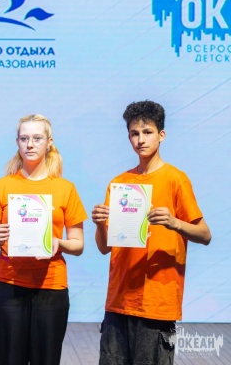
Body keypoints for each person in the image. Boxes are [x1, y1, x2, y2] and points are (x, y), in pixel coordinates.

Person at [92, 100, 211, 365]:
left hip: (157, 302)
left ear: (161, 135)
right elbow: (104, 247)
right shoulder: (120, 183)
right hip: (119, 299)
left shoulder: (175, 179)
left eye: (147, 132)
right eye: (134, 133)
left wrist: (174, 222)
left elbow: (205, 234)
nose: (141, 140)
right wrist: (99, 223)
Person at [0, 114, 87, 365]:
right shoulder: (1, 186)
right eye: (24, 138)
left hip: (51, 287)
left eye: (37, 138)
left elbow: (78, 244)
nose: (30, 144)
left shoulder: (65, 188)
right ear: (17, 142)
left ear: (49, 142)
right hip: (8, 284)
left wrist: (59, 243)